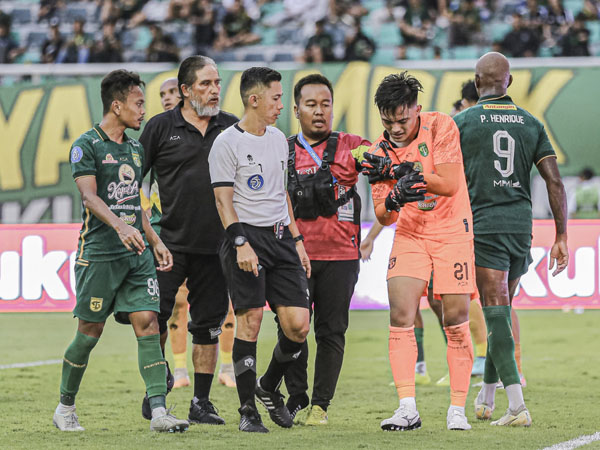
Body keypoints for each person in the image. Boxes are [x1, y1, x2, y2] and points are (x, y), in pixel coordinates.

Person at [53, 69, 188, 433]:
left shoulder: (135, 147)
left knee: (148, 323)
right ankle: (65, 407)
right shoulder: (86, 145)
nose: (144, 110)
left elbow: (135, 204)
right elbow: (89, 196)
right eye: (138, 102)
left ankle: (159, 412)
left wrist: (154, 240)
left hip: (137, 253)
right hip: (99, 253)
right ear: (117, 105)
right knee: (89, 333)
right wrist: (120, 226)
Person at [454, 52, 569, 426]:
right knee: (499, 313)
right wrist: (562, 235)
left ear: (476, 81)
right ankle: (487, 397)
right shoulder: (531, 123)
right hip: (521, 227)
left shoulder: (462, 122)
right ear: (510, 82)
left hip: (485, 225)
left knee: (495, 309)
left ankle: (517, 405)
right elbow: (554, 181)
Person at [363, 71, 476, 431]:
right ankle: (407, 408)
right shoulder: (377, 150)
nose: (395, 128)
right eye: (388, 120)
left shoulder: (440, 126)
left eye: (402, 119)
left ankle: (457, 409)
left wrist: (398, 171)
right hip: (412, 233)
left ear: (417, 110)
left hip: (451, 231)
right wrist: (394, 194)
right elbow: (384, 213)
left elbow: (448, 183)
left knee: (455, 318)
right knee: (401, 314)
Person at [209, 67, 311, 433]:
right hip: (245, 237)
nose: (282, 105)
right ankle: (248, 411)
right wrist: (240, 243)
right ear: (254, 99)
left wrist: (297, 241)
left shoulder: (279, 139)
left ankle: (268, 386)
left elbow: (281, 194)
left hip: (281, 237)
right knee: (249, 321)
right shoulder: (226, 143)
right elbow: (223, 201)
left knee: (298, 325)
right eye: (276, 97)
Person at [140, 56, 238, 425]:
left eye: (217, 82)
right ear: (185, 90)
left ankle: (201, 402)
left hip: (217, 246)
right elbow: (133, 181)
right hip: (168, 245)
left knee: (208, 327)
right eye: (206, 84)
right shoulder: (160, 128)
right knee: (153, 319)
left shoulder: (231, 127)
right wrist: (147, 231)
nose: (215, 90)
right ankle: (157, 387)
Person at [283, 74, 371, 425]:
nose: (320, 112)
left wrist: (381, 162)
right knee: (291, 330)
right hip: (292, 257)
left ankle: (320, 406)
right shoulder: (280, 148)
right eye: (311, 105)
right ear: (296, 109)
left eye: (326, 104)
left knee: (331, 331)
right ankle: (296, 398)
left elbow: (377, 158)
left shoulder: (353, 145)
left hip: (342, 257)